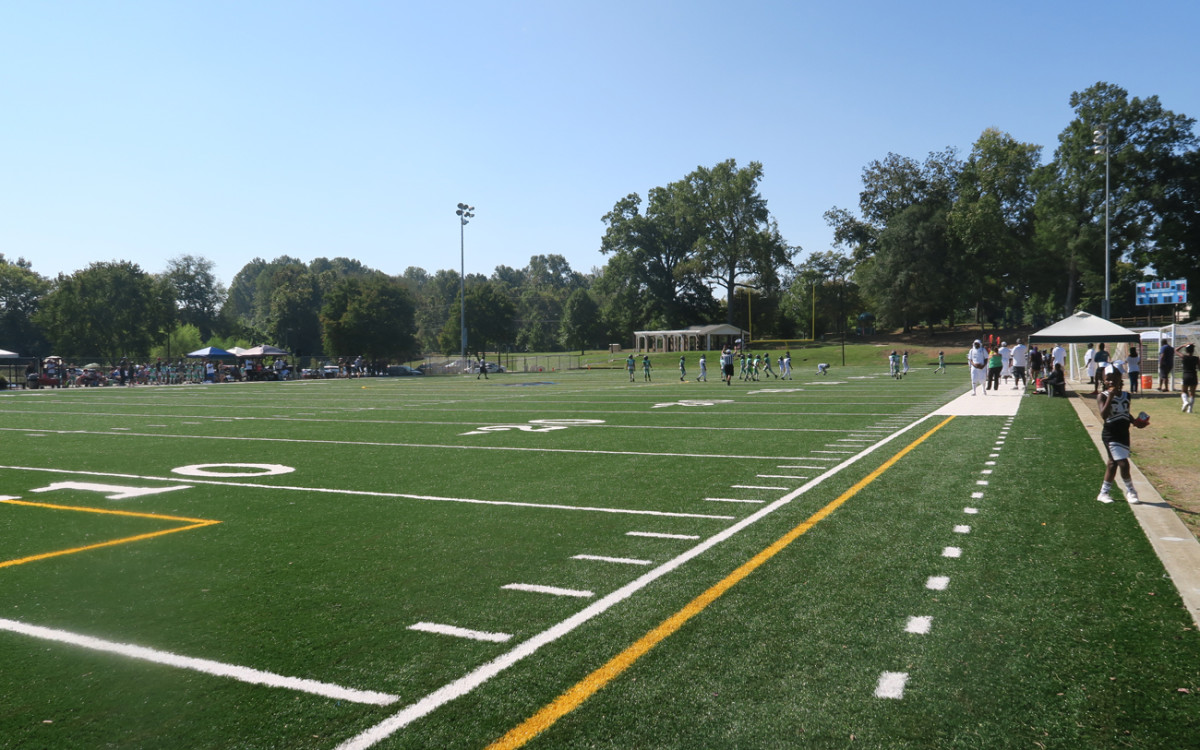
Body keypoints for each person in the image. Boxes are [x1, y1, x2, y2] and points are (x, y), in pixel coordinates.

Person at [1096, 370, 1146, 504]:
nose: (1111, 381)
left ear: (1120, 379)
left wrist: (1135, 422)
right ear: (1104, 381)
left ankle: (1103, 493)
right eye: (1108, 379)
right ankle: (1131, 491)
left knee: (1112, 464)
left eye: (1114, 378)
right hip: (1110, 434)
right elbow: (1104, 415)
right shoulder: (1103, 396)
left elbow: (1124, 412)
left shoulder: (1126, 395)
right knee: (1123, 463)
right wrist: (1110, 397)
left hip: (1124, 433)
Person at [1179, 343, 1198, 413]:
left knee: (1184, 391)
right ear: (1193, 351)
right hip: (1194, 376)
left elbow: (1175, 350)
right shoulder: (1196, 358)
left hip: (1186, 375)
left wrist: (1183, 345)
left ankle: (1185, 402)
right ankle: (1190, 409)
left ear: (1186, 350)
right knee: (1192, 393)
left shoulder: (1184, 357)